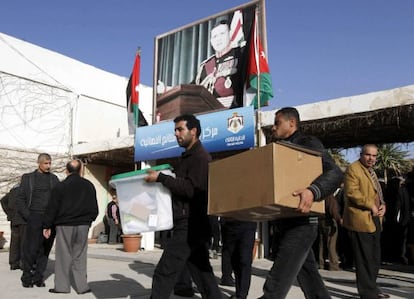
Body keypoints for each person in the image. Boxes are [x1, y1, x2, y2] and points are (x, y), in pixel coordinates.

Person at [258, 107, 343, 299]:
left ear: (292, 123)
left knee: (276, 282)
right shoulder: (280, 149)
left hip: (302, 223)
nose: (273, 127)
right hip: (286, 221)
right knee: (309, 277)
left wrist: (313, 191)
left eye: (277, 123)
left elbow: (335, 173)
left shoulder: (306, 143)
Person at [144, 114, 222, 299]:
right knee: (202, 274)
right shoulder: (189, 157)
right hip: (191, 222)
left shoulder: (200, 157)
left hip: (191, 223)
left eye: (180, 129)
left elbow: (190, 189)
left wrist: (162, 178)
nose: (176, 134)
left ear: (193, 131)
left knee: (165, 270)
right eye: (175, 130)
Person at [43, 159, 98, 294]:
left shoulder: (60, 186)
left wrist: (47, 225)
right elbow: (94, 209)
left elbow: (52, 208)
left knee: (63, 256)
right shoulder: (89, 185)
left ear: (66, 171)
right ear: (80, 170)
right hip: (83, 225)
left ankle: (62, 287)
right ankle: (82, 287)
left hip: (64, 225)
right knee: (79, 255)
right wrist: (88, 221)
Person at [342, 144, 390, 299]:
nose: (372, 159)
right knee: (364, 258)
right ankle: (367, 293)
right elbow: (351, 193)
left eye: (375, 156)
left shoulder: (371, 172)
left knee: (375, 257)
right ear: (361, 154)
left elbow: (377, 192)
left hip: (375, 218)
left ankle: (373, 288)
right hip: (361, 220)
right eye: (368, 155)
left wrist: (382, 205)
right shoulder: (353, 169)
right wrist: (370, 204)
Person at [16, 153, 60, 288]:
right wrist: (28, 216)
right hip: (34, 217)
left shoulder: (54, 179)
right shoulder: (28, 178)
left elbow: (59, 198)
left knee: (45, 250)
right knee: (31, 249)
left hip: (49, 218)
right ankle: (26, 277)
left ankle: (38, 278)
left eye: (50, 163)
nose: (48, 166)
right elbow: (20, 199)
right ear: (39, 163)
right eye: (46, 163)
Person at [193, 18, 245, 109]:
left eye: (222, 34)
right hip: (208, 112)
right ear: (211, 42)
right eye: (215, 36)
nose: (218, 39)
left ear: (230, 34)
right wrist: (167, 89)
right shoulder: (205, 66)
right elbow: (192, 88)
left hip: (236, 110)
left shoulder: (240, 54)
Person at [220, 217, 256, 299]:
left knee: (244, 260)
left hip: (247, 222)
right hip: (229, 223)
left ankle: (242, 295)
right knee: (234, 260)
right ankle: (239, 292)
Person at [1, 184, 26, 270]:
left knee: (14, 241)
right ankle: (23, 262)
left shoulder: (12, 192)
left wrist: (9, 213)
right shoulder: (25, 191)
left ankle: (13, 263)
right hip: (23, 219)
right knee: (24, 241)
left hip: (14, 219)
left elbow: (3, 200)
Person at [318, 192, 342, 271]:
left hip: (321, 220)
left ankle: (321, 263)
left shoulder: (320, 196)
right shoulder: (330, 197)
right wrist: (339, 220)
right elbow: (333, 210)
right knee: (331, 244)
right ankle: (333, 265)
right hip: (329, 222)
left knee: (322, 244)